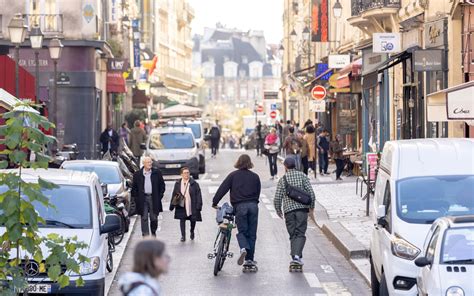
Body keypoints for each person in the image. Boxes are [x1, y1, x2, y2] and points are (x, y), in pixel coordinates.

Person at [212, 154, 261, 267]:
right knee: (252, 234)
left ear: (238, 162)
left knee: (242, 231)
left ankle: (243, 248)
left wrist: (215, 202)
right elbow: (258, 192)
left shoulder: (233, 176)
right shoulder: (255, 176)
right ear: (250, 163)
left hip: (240, 207)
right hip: (253, 206)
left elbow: (222, 189)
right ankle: (249, 259)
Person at [274, 156, 315, 266]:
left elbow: (277, 197)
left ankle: (295, 256)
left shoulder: (283, 179)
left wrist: (278, 210)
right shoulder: (302, 176)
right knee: (300, 233)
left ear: (285, 166)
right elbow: (311, 193)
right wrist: (311, 206)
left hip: (289, 211)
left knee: (293, 234)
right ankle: (296, 256)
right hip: (302, 210)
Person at [131, 156, 166, 237]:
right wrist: (137, 198)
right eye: (148, 162)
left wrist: (159, 195)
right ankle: (145, 236)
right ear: (143, 164)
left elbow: (162, 185)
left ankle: (153, 232)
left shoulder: (157, 173)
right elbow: (134, 188)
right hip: (142, 199)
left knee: (154, 217)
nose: (150, 164)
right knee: (144, 217)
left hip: (153, 198)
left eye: (150, 162)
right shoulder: (137, 174)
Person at [170, 167, 203, 242]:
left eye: (188, 173)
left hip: (192, 204)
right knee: (182, 220)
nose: (186, 174)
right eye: (185, 173)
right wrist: (171, 206)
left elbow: (198, 195)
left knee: (193, 220)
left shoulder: (194, 183)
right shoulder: (178, 183)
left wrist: (199, 205)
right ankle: (183, 236)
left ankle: (192, 231)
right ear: (181, 174)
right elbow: (174, 194)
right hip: (181, 204)